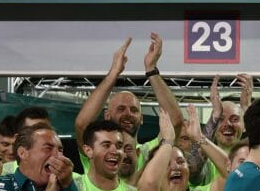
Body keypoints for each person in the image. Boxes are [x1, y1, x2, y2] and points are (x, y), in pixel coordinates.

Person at [74, 35, 184, 173]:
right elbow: (81, 125)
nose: (128, 114)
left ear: (142, 118)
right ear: (107, 115)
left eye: (134, 110)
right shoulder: (98, 151)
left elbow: (175, 122)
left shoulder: (148, 153)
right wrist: (114, 72)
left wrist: (151, 69)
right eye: (121, 109)